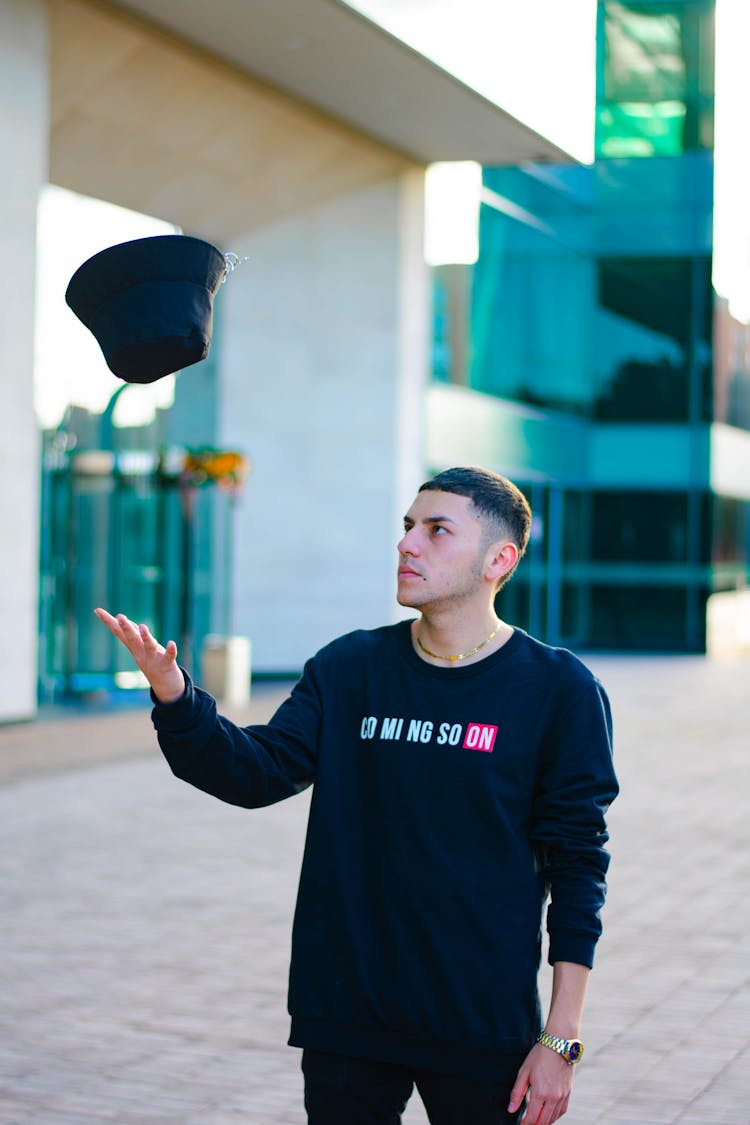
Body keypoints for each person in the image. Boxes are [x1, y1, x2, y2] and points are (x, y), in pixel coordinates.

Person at [95, 466, 618, 1125]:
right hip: (347, 1015)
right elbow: (254, 771)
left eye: (436, 530)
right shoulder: (351, 668)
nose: (407, 545)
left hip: (481, 1025)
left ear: (499, 559)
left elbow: (578, 870)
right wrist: (176, 698)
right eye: (406, 528)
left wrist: (560, 1037)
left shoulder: (557, 690)